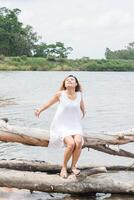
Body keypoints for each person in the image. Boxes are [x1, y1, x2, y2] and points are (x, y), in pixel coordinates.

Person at [35, 75, 86, 178]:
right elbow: (49, 104)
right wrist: (40, 109)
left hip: (75, 125)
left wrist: (83, 115)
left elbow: (83, 108)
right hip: (61, 125)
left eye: (72, 80)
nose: (69, 81)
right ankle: (63, 167)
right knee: (71, 144)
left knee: (79, 142)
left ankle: (73, 167)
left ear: (76, 84)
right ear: (65, 84)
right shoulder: (60, 94)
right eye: (67, 80)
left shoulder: (79, 95)